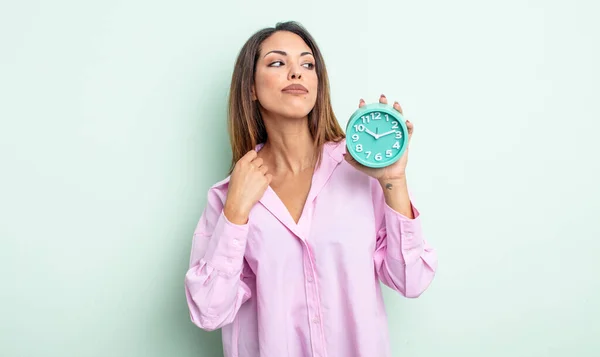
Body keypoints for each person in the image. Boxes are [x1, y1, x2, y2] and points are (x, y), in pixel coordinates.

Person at [184, 21, 437, 357]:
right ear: (251, 89)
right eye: (277, 63)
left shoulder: (360, 171)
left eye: (307, 64)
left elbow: (412, 280)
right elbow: (209, 312)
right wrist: (236, 214)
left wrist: (394, 181)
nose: (296, 73)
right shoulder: (229, 196)